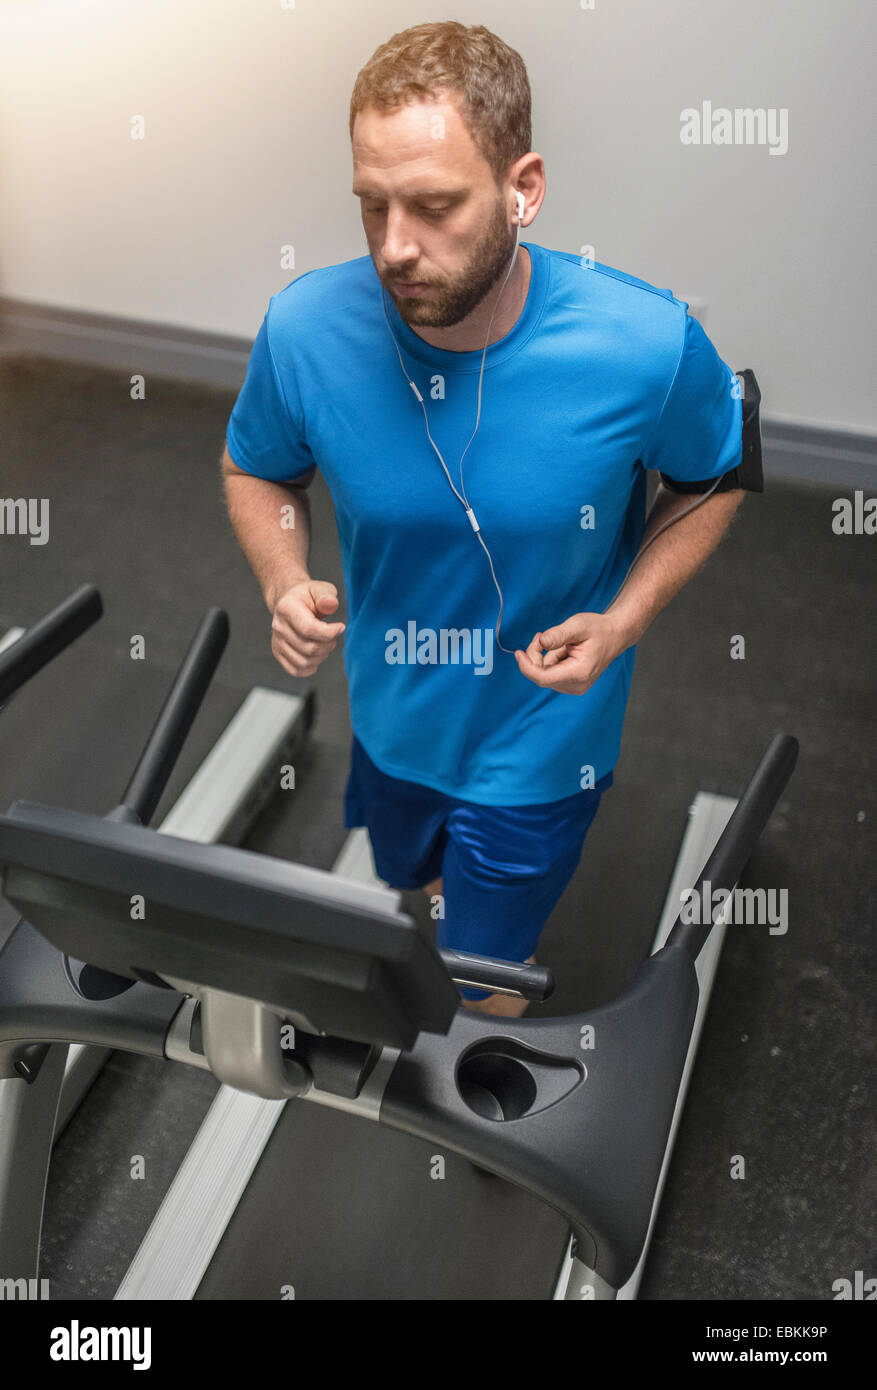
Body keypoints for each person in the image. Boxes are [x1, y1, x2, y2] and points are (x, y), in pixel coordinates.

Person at [221, 21, 745, 1017]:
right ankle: (436, 888)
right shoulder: (305, 329)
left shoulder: (645, 345)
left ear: (523, 188)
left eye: (432, 206)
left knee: (480, 977)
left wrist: (625, 619)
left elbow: (712, 481)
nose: (393, 247)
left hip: (543, 738)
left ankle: (467, 1086)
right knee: (409, 879)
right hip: (389, 713)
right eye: (370, 206)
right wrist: (283, 578)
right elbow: (257, 466)